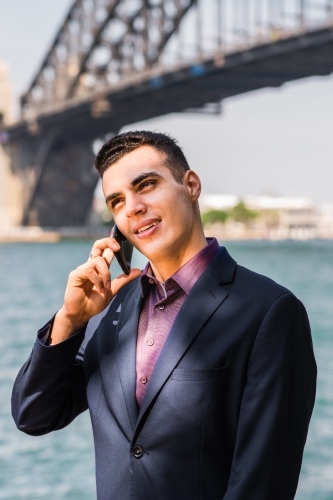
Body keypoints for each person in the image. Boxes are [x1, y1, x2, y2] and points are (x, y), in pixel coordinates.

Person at [12, 131, 316, 500]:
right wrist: (70, 320)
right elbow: (35, 415)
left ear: (191, 185)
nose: (133, 207)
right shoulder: (108, 310)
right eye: (117, 201)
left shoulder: (269, 311)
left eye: (147, 185)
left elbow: (262, 484)